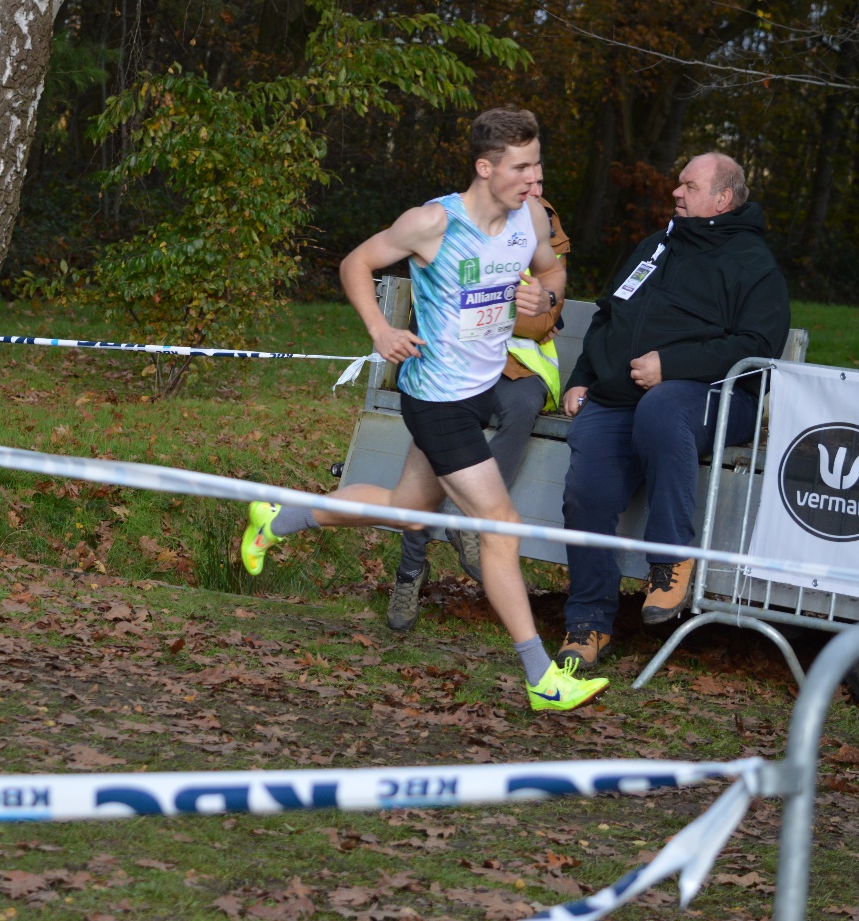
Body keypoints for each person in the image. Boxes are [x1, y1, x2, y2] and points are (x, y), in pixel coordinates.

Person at [238, 107, 609, 713]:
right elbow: (354, 263)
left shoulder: (531, 217)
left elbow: (553, 272)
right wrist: (381, 329)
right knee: (500, 523)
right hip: (436, 398)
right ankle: (542, 676)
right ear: (485, 167)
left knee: (407, 508)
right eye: (521, 167)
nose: (534, 179)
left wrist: (547, 296)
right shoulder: (432, 223)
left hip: (480, 387)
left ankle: (279, 519)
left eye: (538, 164)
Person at [555, 152, 791, 670]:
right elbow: (607, 316)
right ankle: (589, 623)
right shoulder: (655, 247)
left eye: (688, 185)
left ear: (722, 198)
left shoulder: (754, 265)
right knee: (585, 494)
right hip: (619, 400)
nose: (676, 193)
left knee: (662, 406)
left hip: (714, 400)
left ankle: (671, 558)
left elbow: (759, 349)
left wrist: (674, 364)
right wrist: (581, 378)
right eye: (678, 184)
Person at [386, 178, 571, 631]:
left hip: (512, 372)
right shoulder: (454, 218)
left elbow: (546, 313)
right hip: (449, 368)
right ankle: (411, 568)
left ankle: (475, 521)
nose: (531, 186)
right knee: (429, 450)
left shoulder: (539, 222)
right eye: (522, 173)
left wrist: (518, 303)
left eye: (539, 178)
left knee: (524, 402)